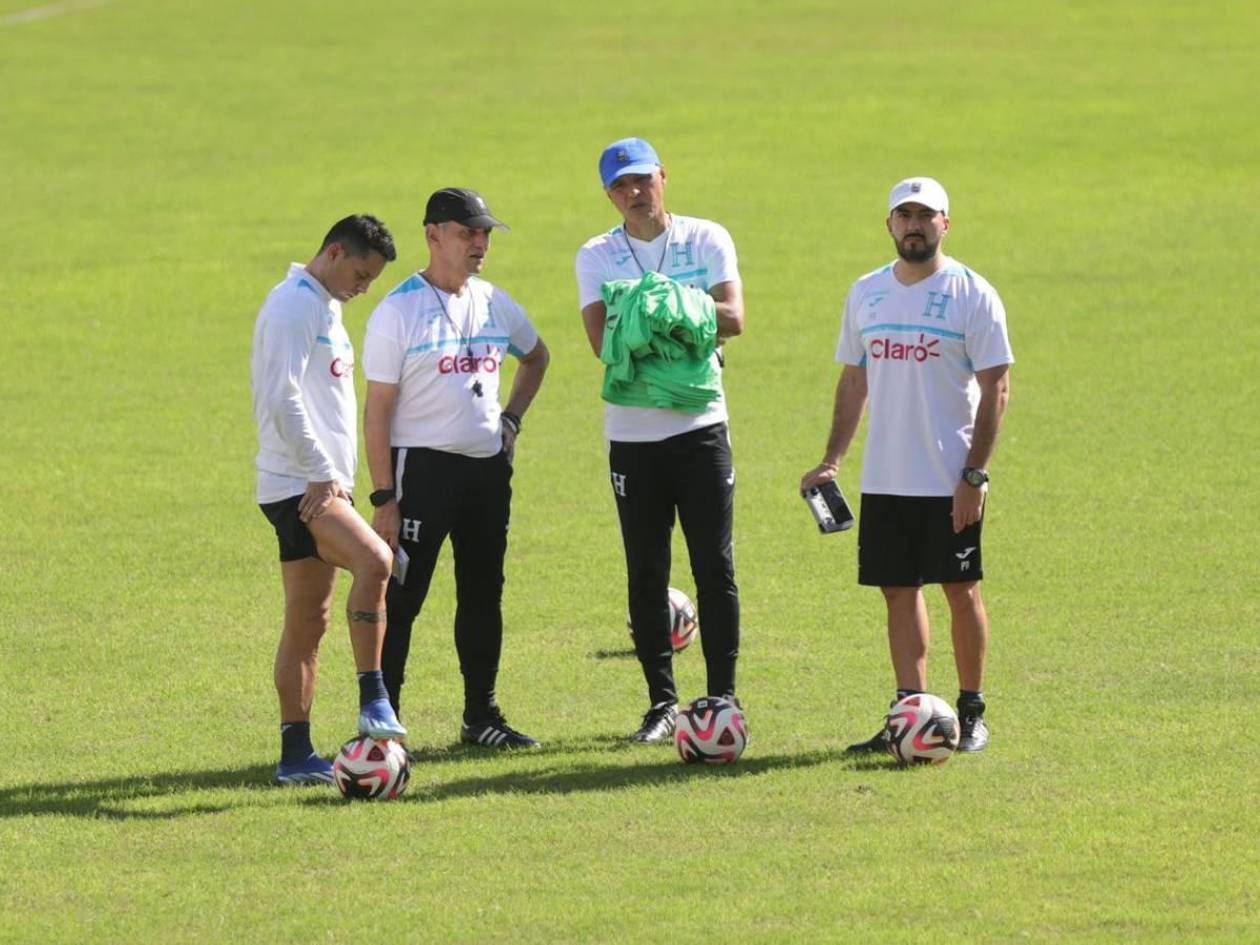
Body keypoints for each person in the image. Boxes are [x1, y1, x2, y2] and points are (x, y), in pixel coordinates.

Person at [800, 176, 1013, 754]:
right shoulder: (866, 292)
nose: (914, 224)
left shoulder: (972, 293)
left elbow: (997, 386)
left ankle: (970, 713)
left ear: (946, 224)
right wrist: (832, 460)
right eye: (904, 215)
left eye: (926, 215)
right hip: (885, 479)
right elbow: (854, 377)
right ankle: (910, 713)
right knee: (898, 591)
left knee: (960, 589)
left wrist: (974, 475)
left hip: (949, 480)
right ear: (889, 225)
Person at [363, 188, 550, 749]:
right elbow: (376, 410)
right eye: (469, 232)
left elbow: (537, 356)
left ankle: (481, 717)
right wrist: (382, 498)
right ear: (433, 234)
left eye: (485, 233)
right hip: (420, 472)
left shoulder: (495, 301)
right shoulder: (398, 310)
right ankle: (384, 718)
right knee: (402, 597)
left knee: (483, 593)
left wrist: (511, 421)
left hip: (486, 473)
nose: (480, 242)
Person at [575, 137, 746, 743]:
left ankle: (722, 697)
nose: (635, 193)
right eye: (621, 186)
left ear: (664, 177)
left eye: (643, 179)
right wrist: (682, 323)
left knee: (714, 565)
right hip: (633, 437)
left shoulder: (707, 238)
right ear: (609, 194)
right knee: (645, 571)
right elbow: (603, 343)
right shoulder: (596, 255)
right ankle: (661, 704)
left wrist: (655, 306)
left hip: (701, 433)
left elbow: (734, 318)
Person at [251, 214, 408, 785]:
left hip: (304, 482)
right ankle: (375, 697)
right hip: (302, 486)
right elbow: (280, 397)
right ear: (335, 252)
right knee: (376, 561)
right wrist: (322, 474)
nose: (363, 288)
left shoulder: (322, 305)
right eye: (361, 274)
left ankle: (296, 755)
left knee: (307, 622)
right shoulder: (296, 305)